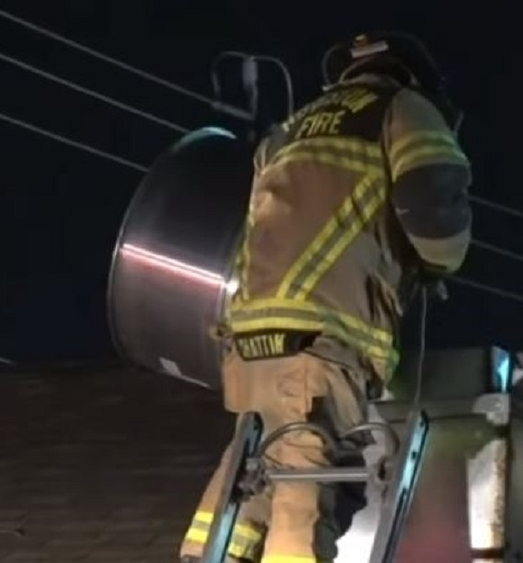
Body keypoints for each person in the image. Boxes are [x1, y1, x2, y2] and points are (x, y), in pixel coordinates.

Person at [179, 31, 473, 563]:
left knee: (250, 470)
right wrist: (437, 262)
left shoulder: (288, 129)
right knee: (311, 482)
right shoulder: (402, 108)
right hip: (322, 337)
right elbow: (431, 196)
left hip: (247, 338)